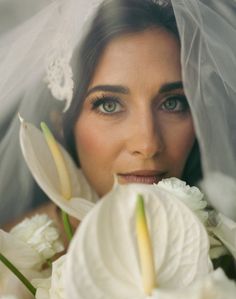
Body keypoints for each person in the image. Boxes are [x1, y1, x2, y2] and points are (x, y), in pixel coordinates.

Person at [0, 0, 236, 227]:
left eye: (173, 103)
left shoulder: (225, 241)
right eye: (109, 105)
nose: (147, 144)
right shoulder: (15, 259)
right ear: (62, 124)